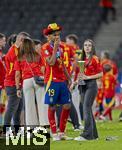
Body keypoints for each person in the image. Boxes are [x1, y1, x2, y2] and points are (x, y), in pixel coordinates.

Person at [42, 23, 72, 141]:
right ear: (48, 36)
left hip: (62, 80)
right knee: (52, 106)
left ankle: (62, 132)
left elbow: (62, 64)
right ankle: (54, 133)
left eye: (58, 35)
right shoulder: (45, 48)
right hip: (51, 81)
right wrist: (55, 48)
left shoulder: (61, 47)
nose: (57, 37)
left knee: (67, 105)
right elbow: (51, 62)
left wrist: (69, 78)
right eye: (55, 35)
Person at [15, 37, 48, 127]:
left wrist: (18, 88)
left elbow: (17, 74)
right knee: (42, 104)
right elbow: (43, 70)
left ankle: (32, 128)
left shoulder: (19, 57)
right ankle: (44, 126)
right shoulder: (37, 55)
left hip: (27, 81)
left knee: (29, 106)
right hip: (38, 80)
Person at [74, 39, 103, 141]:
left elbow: (101, 74)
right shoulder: (81, 59)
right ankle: (94, 135)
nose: (87, 47)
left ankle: (87, 135)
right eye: (85, 45)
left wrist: (88, 77)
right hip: (82, 85)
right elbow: (80, 73)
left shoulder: (95, 58)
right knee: (88, 109)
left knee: (86, 107)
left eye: (89, 45)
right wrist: (77, 80)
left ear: (92, 47)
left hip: (91, 85)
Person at [3, 32, 30, 134]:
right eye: (25, 41)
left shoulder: (17, 50)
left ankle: (17, 129)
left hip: (16, 83)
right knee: (11, 108)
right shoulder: (14, 51)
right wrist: (18, 86)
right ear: (20, 40)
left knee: (18, 109)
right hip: (13, 83)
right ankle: (6, 130)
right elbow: (17, 72)